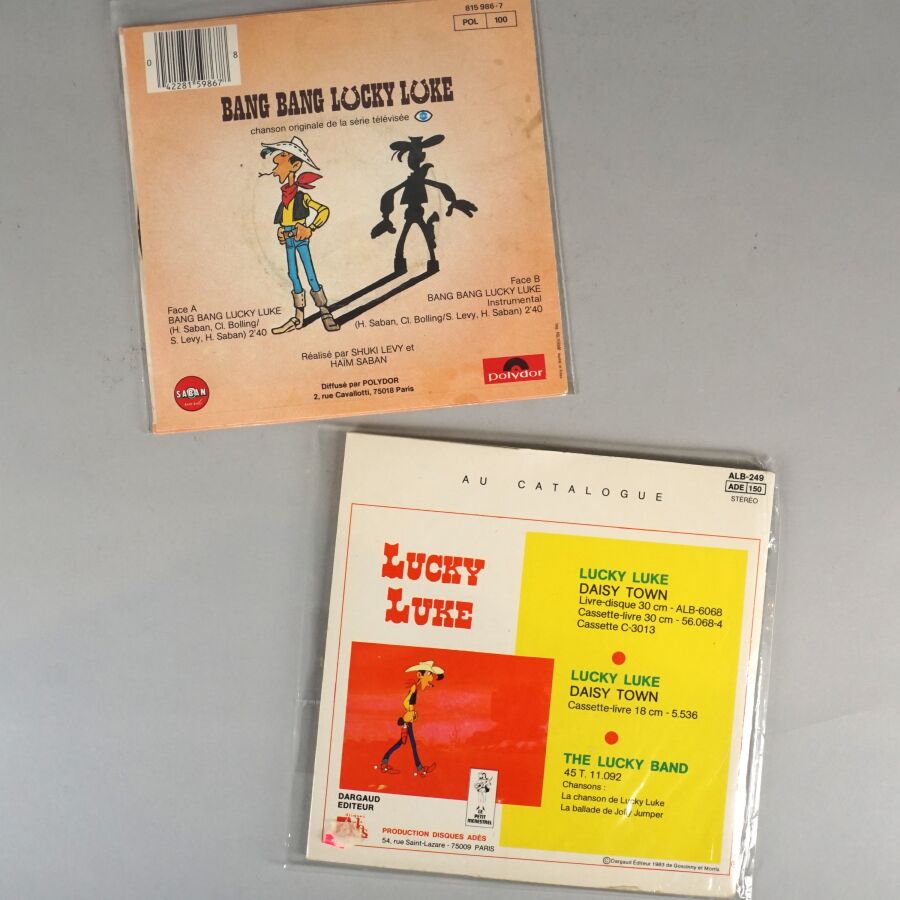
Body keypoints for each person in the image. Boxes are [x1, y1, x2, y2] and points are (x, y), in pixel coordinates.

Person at [259, 136, 340, 333]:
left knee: (310, 274)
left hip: (300, 239)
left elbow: (324, 211)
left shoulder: (302, 197)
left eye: (282, 158)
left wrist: (310, 228)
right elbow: (284, 221)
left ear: (295, 166)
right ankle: (298, 317)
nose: (277, 163)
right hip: (288, 240)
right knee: (293, 275)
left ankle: (325, 311)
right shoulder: (284, 197)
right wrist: (280, 231)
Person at [376, 661, 445, 777]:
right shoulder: (414, 688)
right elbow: (406, 702)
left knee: (402, 743)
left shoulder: (421, 686)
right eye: (428, 673)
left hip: (409, 719)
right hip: (408, 719)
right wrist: (410, 713)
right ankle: (419, 768)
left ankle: (384, 763)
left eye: (431, 674)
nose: (431, 676)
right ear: (419, 675)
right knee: (411, 744)